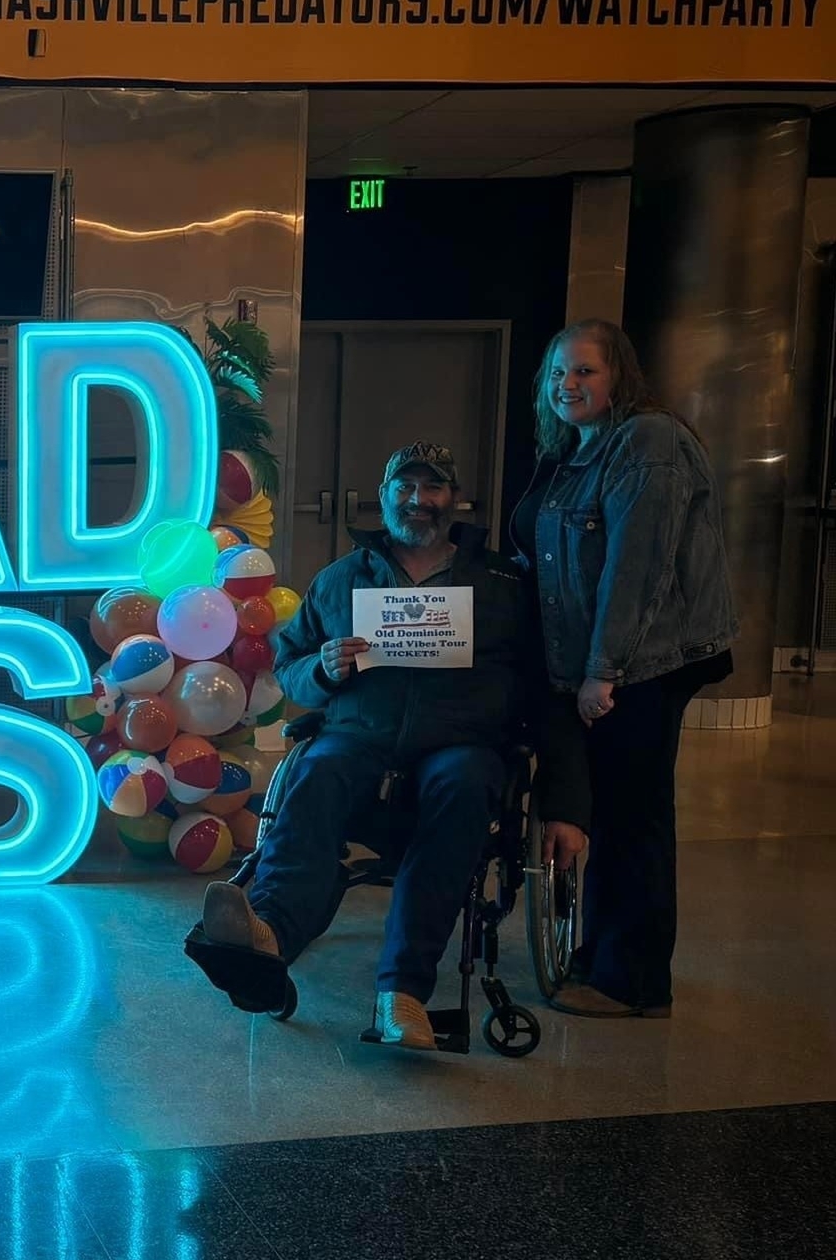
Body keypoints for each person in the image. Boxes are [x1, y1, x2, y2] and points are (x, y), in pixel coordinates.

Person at [191, 442, 590, 1049]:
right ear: (383, 497)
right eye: (404, 487)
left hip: (462, 744)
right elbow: (290, 667)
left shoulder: (503, 584)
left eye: (432, 487)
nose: (417, 499)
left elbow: (546, 691)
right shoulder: (341, 579)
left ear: (454, 500)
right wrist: (322, 669)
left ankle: (402, 993)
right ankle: (269, 933)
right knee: (317, 772)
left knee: (462, 785)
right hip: (360, 737)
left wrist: (565, 803)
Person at [514, 320, 735, 1021]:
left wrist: (602, 672)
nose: (567, 385)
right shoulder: (579, 449)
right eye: (558, 373)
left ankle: (634, 983)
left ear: (621, 377)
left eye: (585, 371)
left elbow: (636, 570)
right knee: (610, 811)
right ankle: (604, 956)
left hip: (639, 664)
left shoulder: (647, 442)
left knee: (635, 817)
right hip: (595, 662)